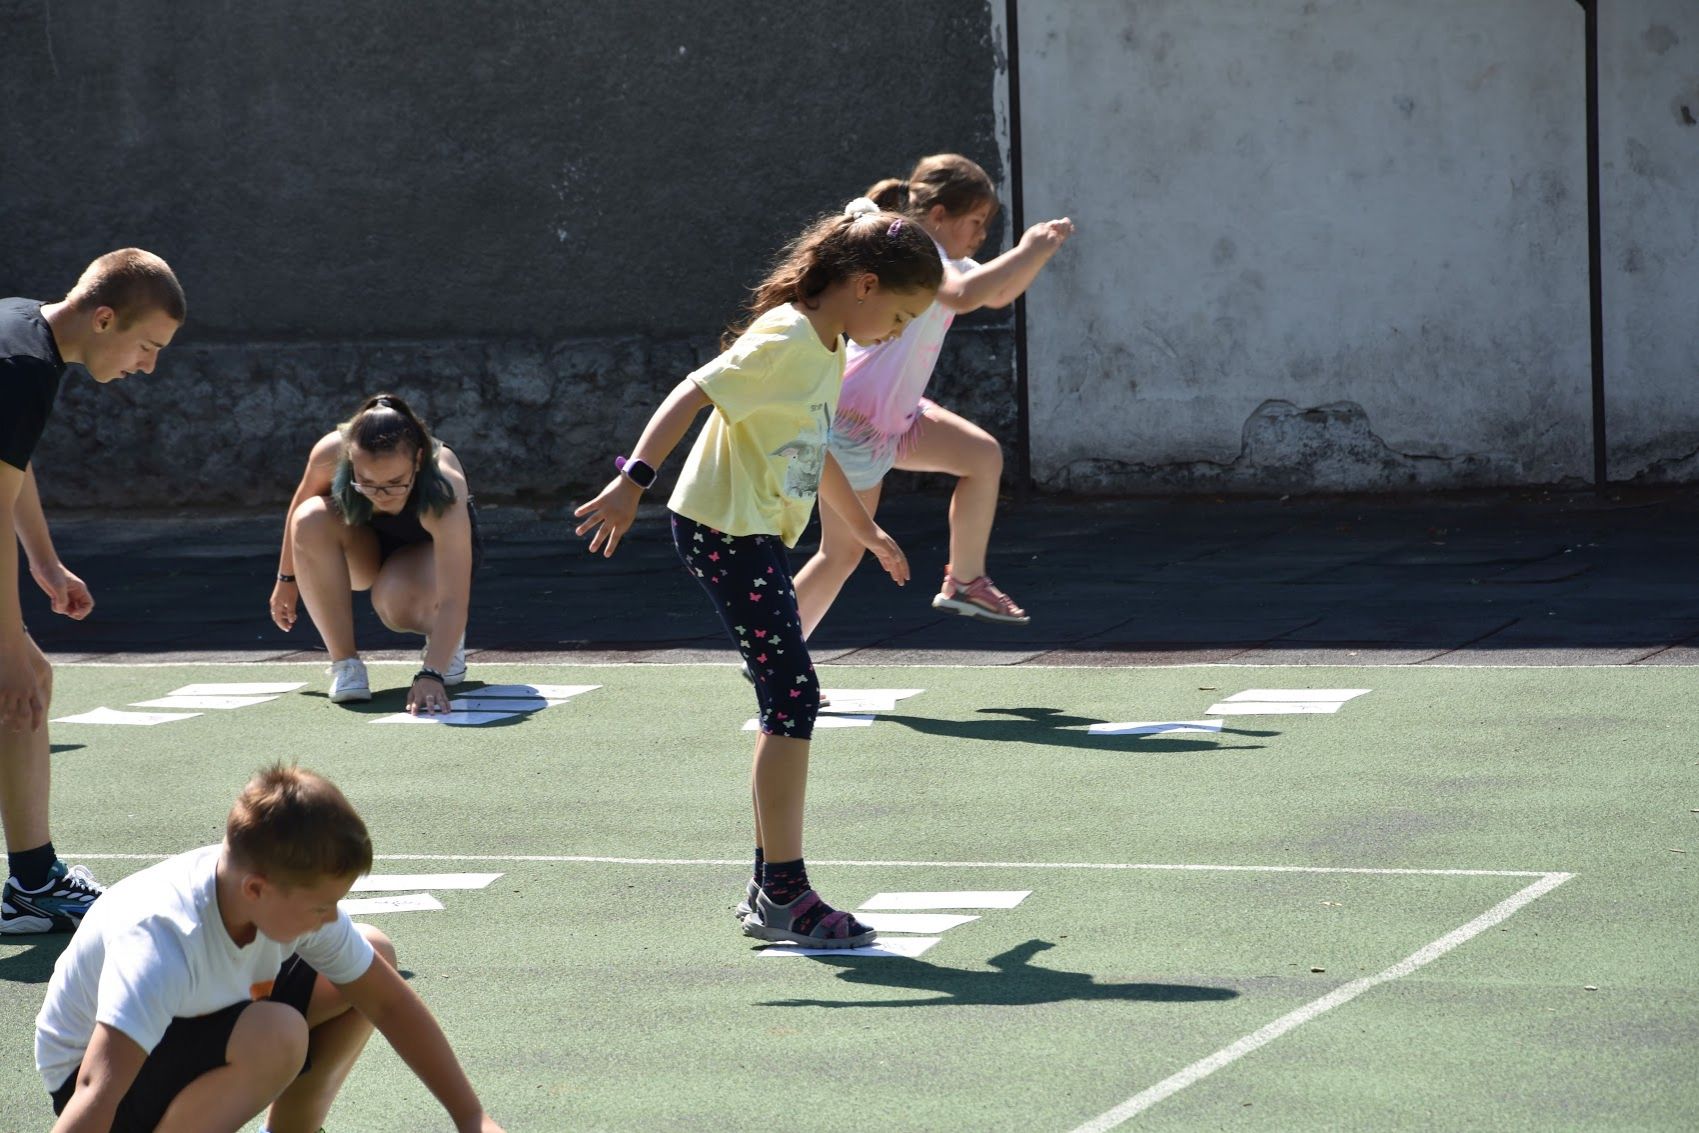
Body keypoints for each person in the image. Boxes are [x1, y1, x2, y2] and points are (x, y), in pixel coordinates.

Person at [574, 200, 941, 948]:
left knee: (788, 694)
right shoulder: (786, 336)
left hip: (753, 530)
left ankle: (769, 886)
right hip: (721, 529)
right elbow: (693, 390)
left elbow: (812, 444)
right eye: (901, 316)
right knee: (793, 694)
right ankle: (783, 892)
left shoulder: (828, 344)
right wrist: (632, 479)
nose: (898, 332)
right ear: (865, 285)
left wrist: (863, 528)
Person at [35, 763, 505, 1132]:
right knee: (277, 1034)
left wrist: (471, 1118)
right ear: (257, 890)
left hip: (184, 1026)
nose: (331, 918)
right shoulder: (160, 941)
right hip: (101, 1085)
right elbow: (96, 1089)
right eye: (321, 906)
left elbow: (388, 1003)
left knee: (372, 951)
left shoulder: (268, 891)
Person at [792, 153, 1074, 634]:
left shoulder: (950, 262)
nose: (981, 235)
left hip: (896, 417)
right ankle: (774, 650)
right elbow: (963, 296)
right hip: (858, 421)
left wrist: (1039, 253)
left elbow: (995, 294)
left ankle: (965, 582)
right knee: (840, 554)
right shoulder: (915, 256)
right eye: (976, 222)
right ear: (939, 214)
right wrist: (1027, 248)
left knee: (981, 457)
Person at [1, 249, 185, 935]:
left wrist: (45, 563)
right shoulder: (22, 367)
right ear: (104, 319)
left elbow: (10, 467)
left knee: (27, 688)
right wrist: (7, 649)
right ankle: (34, 881)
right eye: (147, 346)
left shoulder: (24, 331)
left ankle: (33, 882)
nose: (149, 366)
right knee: (18, 683)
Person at [270, 393, 479, 712]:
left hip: (427, 561)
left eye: (395, 482)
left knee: (395, 600)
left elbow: (455, 599)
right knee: (310, 516)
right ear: (351, 460)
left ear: (418, 460)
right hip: (365, 548)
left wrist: (431, 674)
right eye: (366, 482)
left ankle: (445, 640)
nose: (381, 495)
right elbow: (299, 509)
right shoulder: (330, 452)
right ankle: (346, 665)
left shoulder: (443, 482)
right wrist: (286, 579)